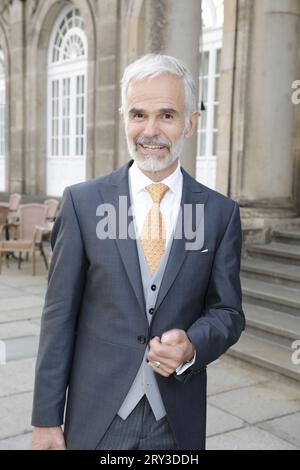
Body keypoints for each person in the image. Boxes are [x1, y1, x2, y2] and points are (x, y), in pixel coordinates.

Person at [30, 54, 245, 450]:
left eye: (166, 115)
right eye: (138, 114)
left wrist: (193, 344)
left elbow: (228, 312)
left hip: (176, 422)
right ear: (123, 119)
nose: (150, 130)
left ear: (191, 123)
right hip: (97, 417)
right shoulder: (82, 203)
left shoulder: (220, 213)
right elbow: (59, 316)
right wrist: (46, 419)